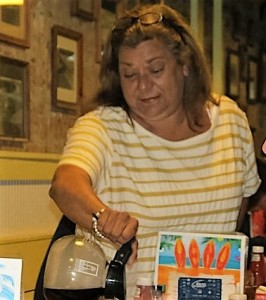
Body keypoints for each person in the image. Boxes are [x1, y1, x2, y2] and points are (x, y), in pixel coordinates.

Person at [35, 3, 261, 299]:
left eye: (156, 69)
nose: (143, 86)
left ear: (184, 65)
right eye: (130, 75)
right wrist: (103, 218)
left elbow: (236, 214)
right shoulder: (103, 126)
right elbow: (64, 185)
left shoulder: (231, 121)